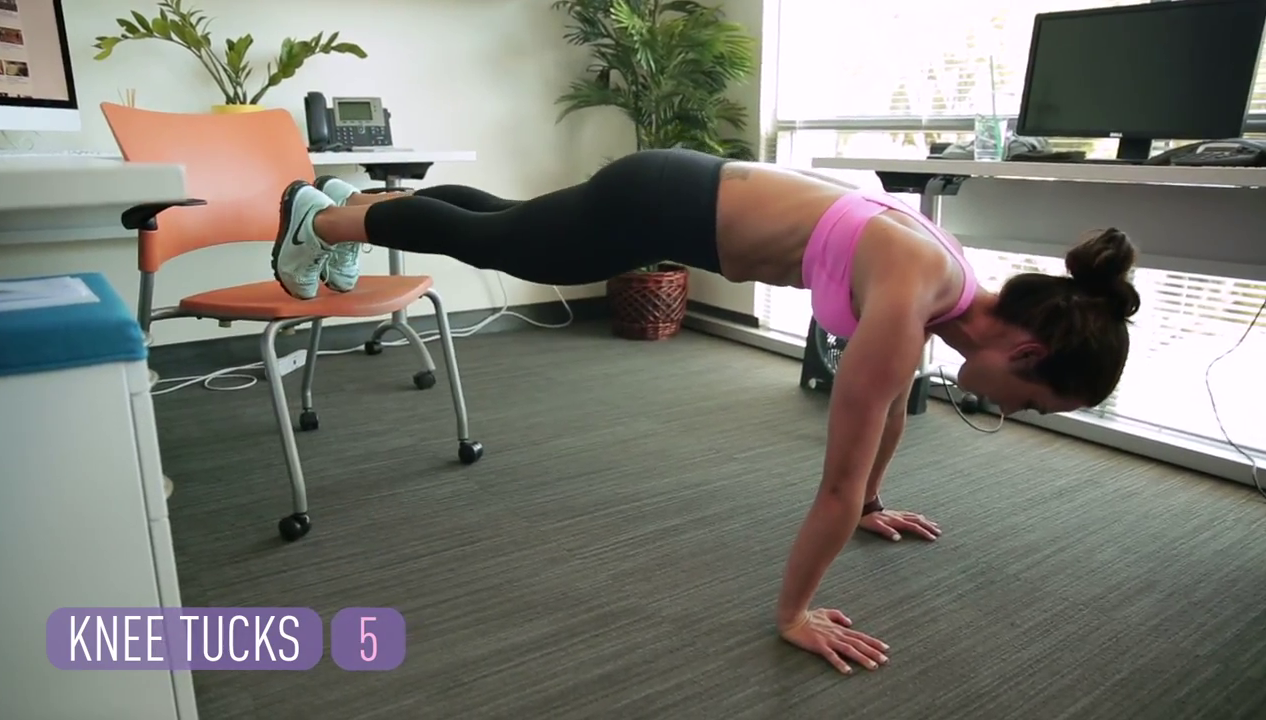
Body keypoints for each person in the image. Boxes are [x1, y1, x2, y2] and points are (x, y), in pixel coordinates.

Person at [270, 148, 1141, 674]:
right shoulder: (913, 301)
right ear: (1026, 354)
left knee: (512, 224)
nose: (1010, 412)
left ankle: (351, 204)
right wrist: (794, 613)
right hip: (663, 204)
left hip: (680, 190)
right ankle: (323, 220)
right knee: (502, 242)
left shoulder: (945, 291)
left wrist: (876, 505)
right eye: (1031, 405)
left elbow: (889, 418)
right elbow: (834, 485)